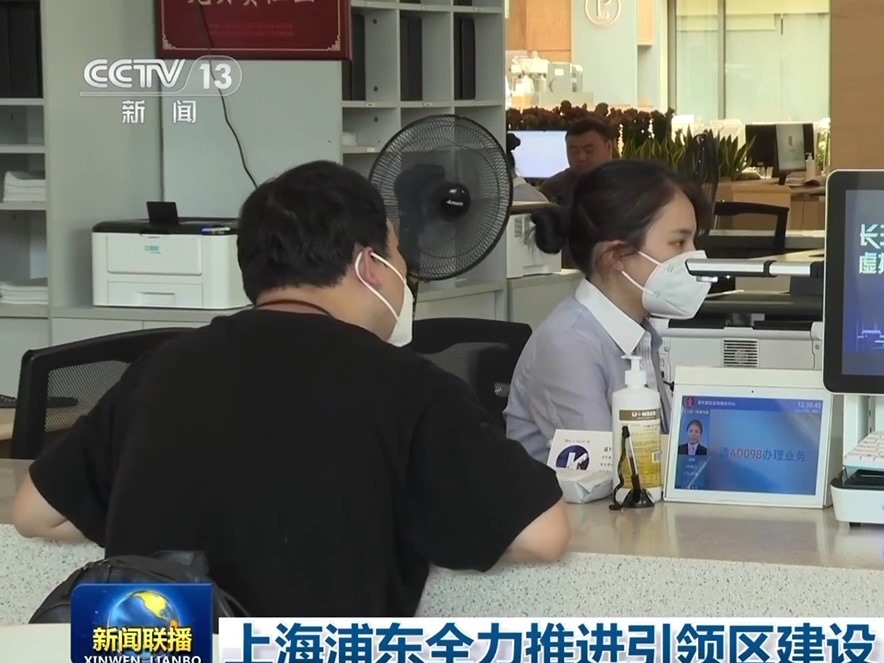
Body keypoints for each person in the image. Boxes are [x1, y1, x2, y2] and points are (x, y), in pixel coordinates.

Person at [13, 160, 570, 621]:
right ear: (370, 264)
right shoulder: (408, 386)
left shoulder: (161, 367)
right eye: (397, 253)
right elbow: (542, 534)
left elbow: (35, 514)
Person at [506, 160, 712, 462]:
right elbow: (608, 472)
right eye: (679, 242)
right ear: (616, 256)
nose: (693, 258)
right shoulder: (568, 345)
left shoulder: (639, 333)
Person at [537, 117, 616, 206]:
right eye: (574, 151)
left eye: (589, 151)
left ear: (609, 147)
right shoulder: (554, 188)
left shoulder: (626, 183)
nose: (581, 157)